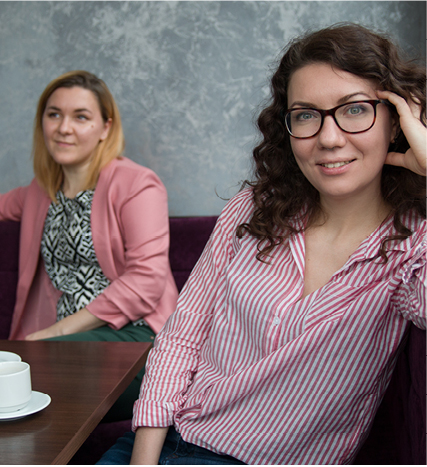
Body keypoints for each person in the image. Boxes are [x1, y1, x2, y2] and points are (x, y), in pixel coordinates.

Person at [98, 23, 426, 465]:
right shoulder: (254, 207)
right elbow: (181, 336)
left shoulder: (411, 246)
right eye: (307, 115)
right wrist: (144, 460)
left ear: (395, 122)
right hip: (162, 444)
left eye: (354, 110)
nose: (329, 138)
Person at [0, 70, 178, 420]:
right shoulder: (38, 192)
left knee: (22, 382)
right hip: (61, 346)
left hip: (135, 336)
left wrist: (53, 333)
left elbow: (147, 280)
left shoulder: (137, 185)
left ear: (106, 128)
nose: (64, 128)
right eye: (54, 114)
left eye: (81, 117)